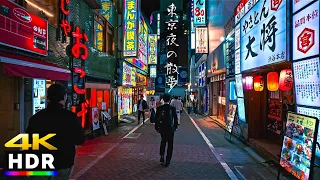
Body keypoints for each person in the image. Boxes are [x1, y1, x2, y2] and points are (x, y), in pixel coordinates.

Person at [26, 84, 85, 180]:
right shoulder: (70, 117)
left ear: (48, 97)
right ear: (65, 97)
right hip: (63, 162)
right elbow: (80, 139)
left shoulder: (36, 118)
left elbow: (29, 141)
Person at [155, 94, 178, 167]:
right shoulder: (172, 108)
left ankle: (162, 155)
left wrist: (157, 128)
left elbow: (156, 119)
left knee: (163, 142)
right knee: (170, 145)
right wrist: (175, 128)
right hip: (170, 129)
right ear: (170, 100)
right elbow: (176, 119)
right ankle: (168, 160)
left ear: (163, 99)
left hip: (162, 128)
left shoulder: (159, 108)